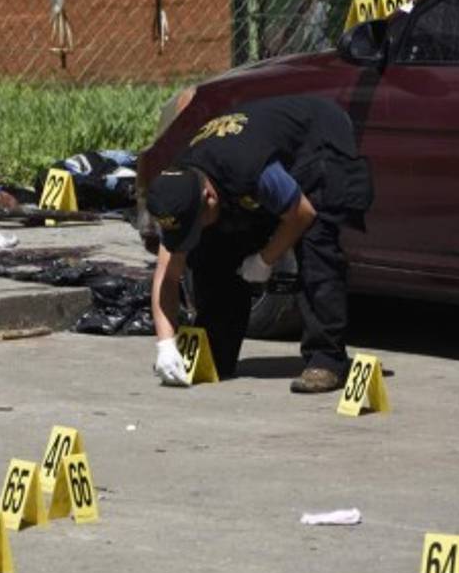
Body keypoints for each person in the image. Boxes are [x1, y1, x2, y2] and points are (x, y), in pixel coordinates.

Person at [146, 94, 374, 393]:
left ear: (209, 197)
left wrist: (265, 259)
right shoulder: (178, 188)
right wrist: (165, 344)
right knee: (211, 249)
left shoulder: (250, 169)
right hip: (254, 154)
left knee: (317, 243)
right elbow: (168, 274)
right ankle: (216, 349)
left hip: (317, 140)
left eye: (197, 221)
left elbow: (302, 214)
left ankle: (326, 359)